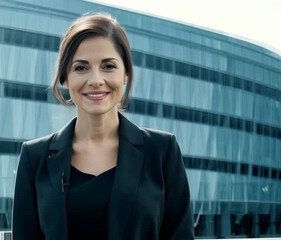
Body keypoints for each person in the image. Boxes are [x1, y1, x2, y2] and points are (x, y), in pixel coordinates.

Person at [12, 13, 194, 240]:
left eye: (108, 66)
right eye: (81, 68)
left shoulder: (162, 151)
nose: (96, 79)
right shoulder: (34, 157)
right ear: (65, 77)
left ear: (125, 73)